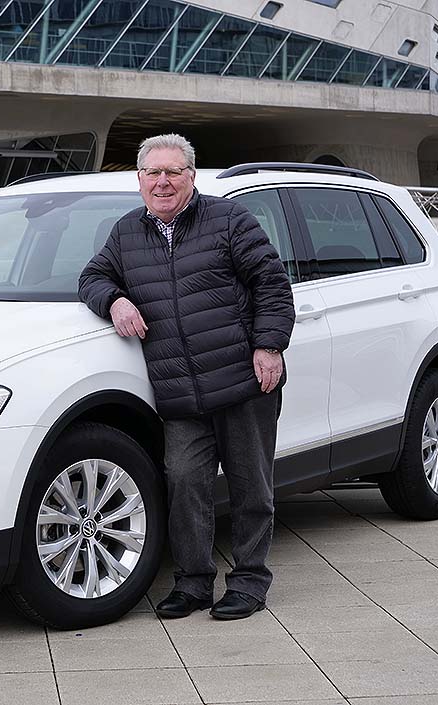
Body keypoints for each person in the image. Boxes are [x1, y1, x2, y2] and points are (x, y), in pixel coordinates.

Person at [78, 134, 295, 620]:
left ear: (191, 177)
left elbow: (272, 284)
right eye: (153, 173)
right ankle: (194, 582)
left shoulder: (229, 219)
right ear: (139, 181)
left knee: (250, 486)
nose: (162, 182)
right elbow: (91, 277)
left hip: (242, 381)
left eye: (173, 172)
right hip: (180, 394)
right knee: (185, 486)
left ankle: (249, 582)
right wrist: (113, 300)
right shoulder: (126, 233)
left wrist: (269, 345)